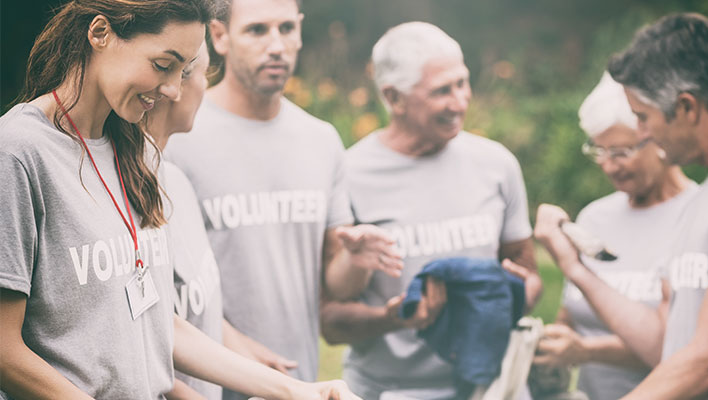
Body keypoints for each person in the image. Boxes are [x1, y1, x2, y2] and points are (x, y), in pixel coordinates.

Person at [0, 2, 360, 399]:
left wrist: (297, 391)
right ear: (100, 33)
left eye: (185, 71)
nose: (174, 89)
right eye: (163, 65)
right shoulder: (18, 153)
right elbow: (5, 349)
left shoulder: (139, 153)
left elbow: (160, 324)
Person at [163, 0, 401, 394]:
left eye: (286, 29)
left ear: (301, 31)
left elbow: (338, 288)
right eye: (257, 30)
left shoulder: (321, 139)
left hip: (302, 383)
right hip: (206, 384)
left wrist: (356, 260)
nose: (276, 45)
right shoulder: (179, 132)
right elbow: (164, 292)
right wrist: (232, 346)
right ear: (219, 36)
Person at [535, 13, 708, 399]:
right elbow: (664, 344)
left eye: (643, 118)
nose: (642, 133)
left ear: (687, 108)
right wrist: (573, 267)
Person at [320, 22, 541, 399]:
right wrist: (392, 318)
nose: (459, 101)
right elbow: (332, 322)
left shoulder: (496, 164)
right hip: (391, 390)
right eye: (442, 91)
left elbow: (531, 279)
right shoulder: (349, 173)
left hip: (489, 387)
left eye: (462, 83)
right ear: (394, 97)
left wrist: (507, 292)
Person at [531, 71, 698, 400]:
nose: (608, 166)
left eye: (621, 152)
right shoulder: (595, 217)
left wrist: (589, 351)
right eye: (599, 151)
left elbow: (682, 348)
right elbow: (573, 315)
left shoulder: (695, 214)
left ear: (657, 138)